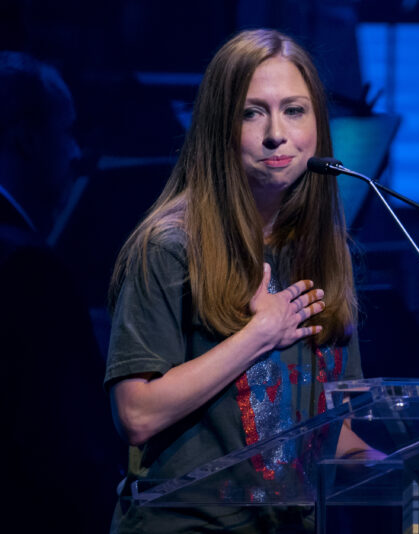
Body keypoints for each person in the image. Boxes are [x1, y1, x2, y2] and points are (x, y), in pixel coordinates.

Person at [105, 29, 373, 533]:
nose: (277, 133)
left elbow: (335, 438)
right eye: (253, 112)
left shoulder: (321, 251)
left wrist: (411, 466)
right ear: (218, 126)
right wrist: (258, 336)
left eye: (295, 110)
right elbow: (135, 414)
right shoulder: (170, 246)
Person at [0, 51, 123, 532]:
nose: (76, 153)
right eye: (66, 132)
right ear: (27, 139)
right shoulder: (28, 268)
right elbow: (64, 446)